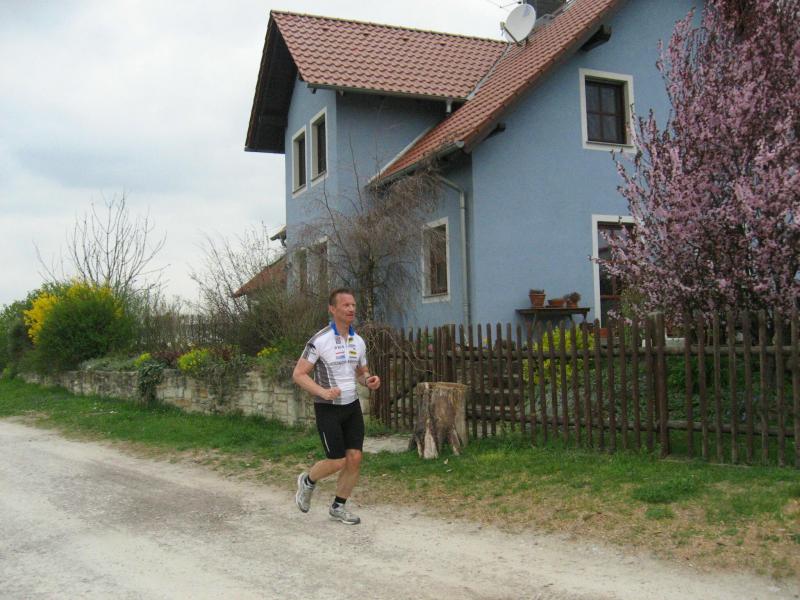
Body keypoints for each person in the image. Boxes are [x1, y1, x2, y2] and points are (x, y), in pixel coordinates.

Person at [292, 288, 380, 525]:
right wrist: (322, 391)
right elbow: (299, 374)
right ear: (332, 309)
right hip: (328, 407)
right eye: (346, 305)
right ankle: (308, 481)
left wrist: (369, 381)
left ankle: (338, 507)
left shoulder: (358, 341)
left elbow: (361, 373)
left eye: (353, 305)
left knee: (355, 457)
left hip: (352, 406)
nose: (351, 309)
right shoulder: (319, 341)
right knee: (337, 460)